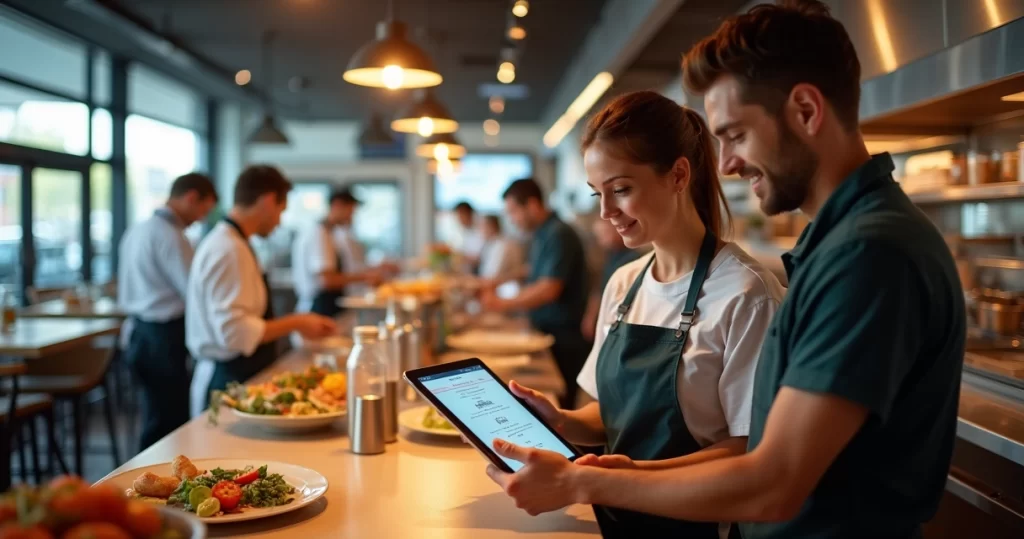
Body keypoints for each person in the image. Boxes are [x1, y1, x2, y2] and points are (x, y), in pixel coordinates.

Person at [484, 3, 966, 539]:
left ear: (806, 110)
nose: (728, 163)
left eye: (735, 135)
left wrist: (584, 483)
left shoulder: (869, 254)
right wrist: (621, 467)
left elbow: (772, 479)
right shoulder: (838, 243)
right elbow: (767, 449)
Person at [504, 91, 784, 538]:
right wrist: (560, 419)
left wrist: (626, 476)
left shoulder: (746, 294)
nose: (605, 212)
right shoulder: (624, 283)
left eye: (621, 190)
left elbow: (748, 450)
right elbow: (610, 415)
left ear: (677, 175)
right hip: (609, 517)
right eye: (599, 193)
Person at [187, 165, 338, 417]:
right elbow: (234, 334)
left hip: (236, 375)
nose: (280, 221)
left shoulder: (234, 243)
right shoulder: (228, 249)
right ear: (268, 201)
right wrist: (297, 321)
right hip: (225, 382)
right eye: (281, 210)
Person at [117, 172, 218, 451]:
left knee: (156, 415)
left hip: (138, 332)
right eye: (203, 209)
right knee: (168, 421)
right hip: (163, 334)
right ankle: (150, 485)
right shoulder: (171, 236)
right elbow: (194, 292)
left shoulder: (138, 229)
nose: (200, 218)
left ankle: (145, 483)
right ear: (191, 197)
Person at [481, 179, 590, 409]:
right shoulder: (543, 232)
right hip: (548, 330)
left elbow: (549, 288)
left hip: (563, 336)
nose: (512, 219)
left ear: (532, 205)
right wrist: (497, 281)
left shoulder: (559, 233)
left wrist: (502, 303)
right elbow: (531, 270)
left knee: (560, 408)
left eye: (513, 211)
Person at [292, 189, 385, 317]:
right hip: (317, 309)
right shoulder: (319, 235)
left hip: (327, 308)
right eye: (350, 211)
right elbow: (327, 280)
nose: (352, 217)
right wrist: (365, 277)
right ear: (337, 205)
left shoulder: (330, 234)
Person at [580, 218, 641, 342]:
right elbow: (600, 289)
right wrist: (590, 317)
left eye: (604, 234)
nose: (601, 241)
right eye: (599, 237)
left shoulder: (633, 259)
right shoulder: (611, 257)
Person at [476, 214, 523, 286]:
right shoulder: (492, 243)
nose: (479, 230)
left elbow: (492, 276)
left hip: (505, 290)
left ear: (491, 227)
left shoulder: (503, 245)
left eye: (482, 227)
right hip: (496, 285)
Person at [452, 201, 485, 269]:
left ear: (469, 214)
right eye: (458, 216)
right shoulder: (461, 232)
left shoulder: (481, 231)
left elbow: (479, 259)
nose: (459, 219)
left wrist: (461, 257)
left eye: (461, 215)